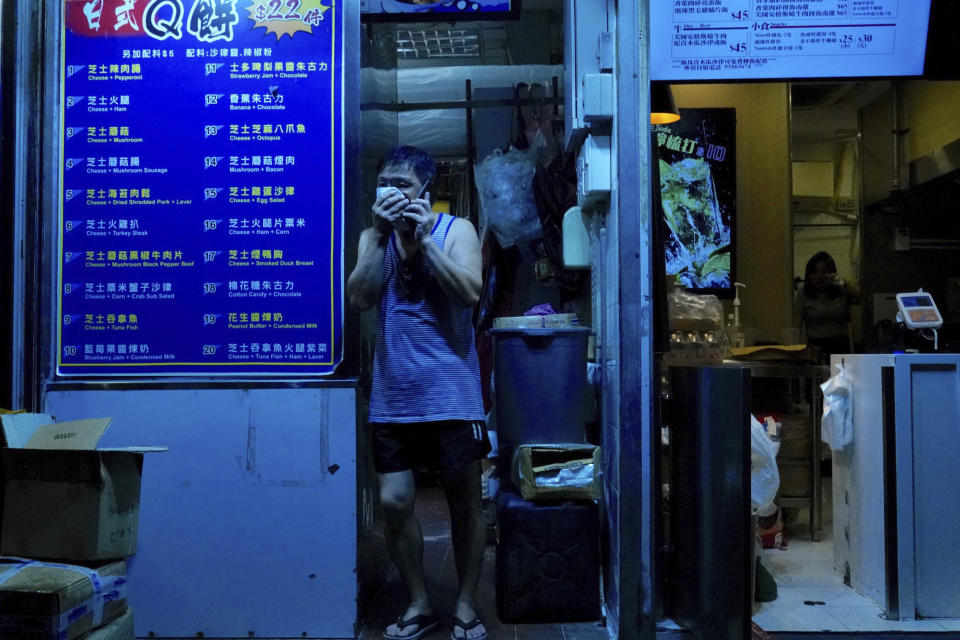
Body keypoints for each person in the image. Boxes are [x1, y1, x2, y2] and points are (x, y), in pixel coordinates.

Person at [347, 146, 489, 640]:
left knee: (464, 502)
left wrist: (425, 242)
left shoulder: (458, 231)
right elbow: (360, 298)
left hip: (452, 396)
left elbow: (470, 294)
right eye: (384, 182)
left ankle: (467, 605)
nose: (391, 191)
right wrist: (381, 236)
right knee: (394, 501)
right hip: (393, 396)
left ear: (425, 191)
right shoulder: (372, 236)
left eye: (402, 184)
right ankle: (420, 601)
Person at [794, 251, 860, 359]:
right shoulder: (803, 293)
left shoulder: (841, 290)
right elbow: (797, 325)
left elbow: (863, 298)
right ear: (808, 275)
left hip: (841, 347)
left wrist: (842, 282)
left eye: (825, 272)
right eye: (814, 272)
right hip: (815, 348)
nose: (819, 276)